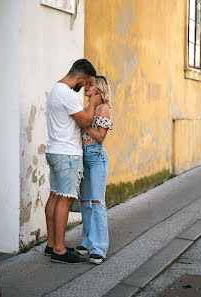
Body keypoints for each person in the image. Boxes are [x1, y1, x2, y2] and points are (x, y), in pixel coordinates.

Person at [44, 59, 102, 264]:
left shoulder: (55, 89)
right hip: (67, 154)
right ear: (79, 78)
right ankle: (59, 250)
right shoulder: (67, 94)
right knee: (65, 199)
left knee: (55, 195)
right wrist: (94, 103)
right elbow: (86, 121)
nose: (84, 87)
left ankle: (51, 244)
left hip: (54, 150)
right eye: (85, 83)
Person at [76, 76, 113, 264]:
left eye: (90, 85)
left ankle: (99, 248)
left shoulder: (103, 108)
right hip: (83, 157)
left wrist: (85, 124)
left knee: (97, 202)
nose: (86, 87)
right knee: (85, 201)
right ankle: (87, 242)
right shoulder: (87, 109)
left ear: (99, 89)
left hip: (97, 157)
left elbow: (100, 137)